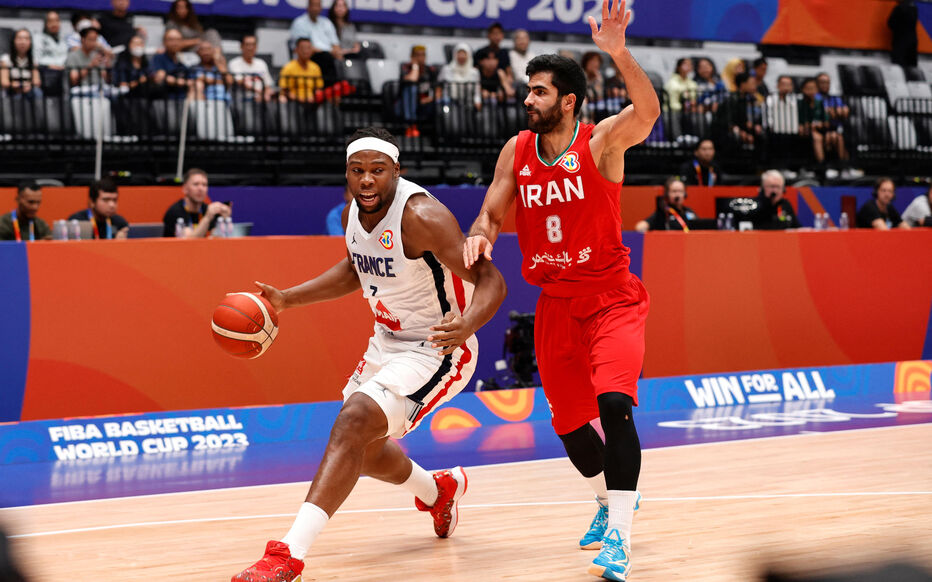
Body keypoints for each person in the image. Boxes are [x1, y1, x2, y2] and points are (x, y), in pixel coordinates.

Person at [230, 127, 507, 581]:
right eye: (357, 170)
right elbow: (355, 269)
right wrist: (287, 299)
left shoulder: (421, 216)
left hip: (437, 345)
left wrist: (468, 325)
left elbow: (491, 280)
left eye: (377, 170)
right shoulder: (352, 214)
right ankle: (438, 491)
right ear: (346, 173)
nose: (366, 180)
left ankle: (287, 555)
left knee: (353, 421)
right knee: (366, 450)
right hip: (387, 340)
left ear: (396, 171)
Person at [462, 1, 659, 580]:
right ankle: (607, 501)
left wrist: (618, 54)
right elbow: (492, 212)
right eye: (529, 90)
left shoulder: (600, 144)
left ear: (568, 101)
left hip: (611, 298)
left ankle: (620, 537)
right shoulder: (517, 150)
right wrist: (479, 235)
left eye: (540, 92)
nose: (528, 99)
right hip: (555, 306)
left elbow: (648, 113)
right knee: (572, 431)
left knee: (615, 406)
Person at [162, 168, 231, 237]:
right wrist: (207, 218)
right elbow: (189, 241)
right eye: (196, 184)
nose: (200, 189)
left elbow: (215, 238)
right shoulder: (175, 212)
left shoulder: (207, 210)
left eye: (204, 185)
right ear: (185, 189)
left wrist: (224, 219)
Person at [288, 0, 342, 86]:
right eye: (313, 5)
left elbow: (336, 45)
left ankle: (336, 89)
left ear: (321, 8)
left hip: (329, 56)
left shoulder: (327, 23)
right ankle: (326, 88)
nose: (315, 8)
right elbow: (303, 47)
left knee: (342, 59)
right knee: (325, 57)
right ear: (308, 7)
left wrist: (336, 52)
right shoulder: (299, 23)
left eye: (318, 6)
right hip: (313, 56)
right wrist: (327, 51)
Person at [398, 45, 438, 137]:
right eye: (417, 55)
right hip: (403, 106)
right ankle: (410, 124)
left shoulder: (430, 70)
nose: (421, 58)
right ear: (412, 57)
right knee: (411, 88)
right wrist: (415, 66)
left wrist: (430, 98)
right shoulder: (405, 67)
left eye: (423, 55)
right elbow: (413, 79)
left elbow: (437, 89)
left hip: (424, 104)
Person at [228, 34, 275, 102]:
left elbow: (267, 84)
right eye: (247, 45)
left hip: (261, 100)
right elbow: (240, 82)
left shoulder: (261, 63)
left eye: (253, 45)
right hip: (242, 100)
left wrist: (266, 94)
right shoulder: (234, 63)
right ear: (241, 47)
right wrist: (260, 93)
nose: (250, 48)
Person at [437, 42, 481, 110]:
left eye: (464, 54)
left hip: (468, 103)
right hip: (449, 103)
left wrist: (477, 101)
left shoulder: (474, 72)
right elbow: (438, 86)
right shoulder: (446, 69)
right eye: (459, 53)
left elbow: (477, 92)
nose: (461, 56)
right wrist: (438, 99)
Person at [279, 38, 323, 103]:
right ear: (296, 50)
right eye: (303, 48)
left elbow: (318, 88)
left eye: (308, 48)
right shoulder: (288, 67)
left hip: (312, 101)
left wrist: (314, 97)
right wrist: (299, 99)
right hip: (293, 101)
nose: (306, 51)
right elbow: (285, 90)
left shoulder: (315, 67)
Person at [149, 29, 190, 98]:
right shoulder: (159, 58)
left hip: (182, 99)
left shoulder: (182, 62)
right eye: (171, 40)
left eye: (178, 40)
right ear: (164, 42)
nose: (175, 43)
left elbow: (190, 81)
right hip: (164, 100)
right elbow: (160, 77)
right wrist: (179, 82)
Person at [1, 29, 42, 97]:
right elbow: (4, 82)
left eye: (26, 39)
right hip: (11, 90)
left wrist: (29, 85)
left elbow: (37, 81)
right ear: (13, 41)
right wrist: (13, 85)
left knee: (37, 92)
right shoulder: (5, 59)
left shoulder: (33, 60)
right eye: (19, 38)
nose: (23, 42)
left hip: (29, 90)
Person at [889, 0, 919, 68]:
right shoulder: (914, 8)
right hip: (912, 41)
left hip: (900, 41)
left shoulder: (899, 8)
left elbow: (891, 23)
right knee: (911, 66)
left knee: (898, 66)